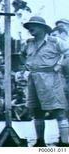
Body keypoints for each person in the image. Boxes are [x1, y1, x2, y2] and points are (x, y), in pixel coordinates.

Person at [21, 16, 69, 147]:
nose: (31, 28)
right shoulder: (29, 43)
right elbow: (22, 55)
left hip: (51, 78)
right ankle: (40, 142)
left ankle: (65, 143)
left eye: (34, 25)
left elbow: (68, 53)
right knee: (36, 110)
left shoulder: (54, 41)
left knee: (58, 109)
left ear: (42, 28)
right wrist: (26, 65)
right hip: (33, 78)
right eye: (29, 26)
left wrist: (60, 65)